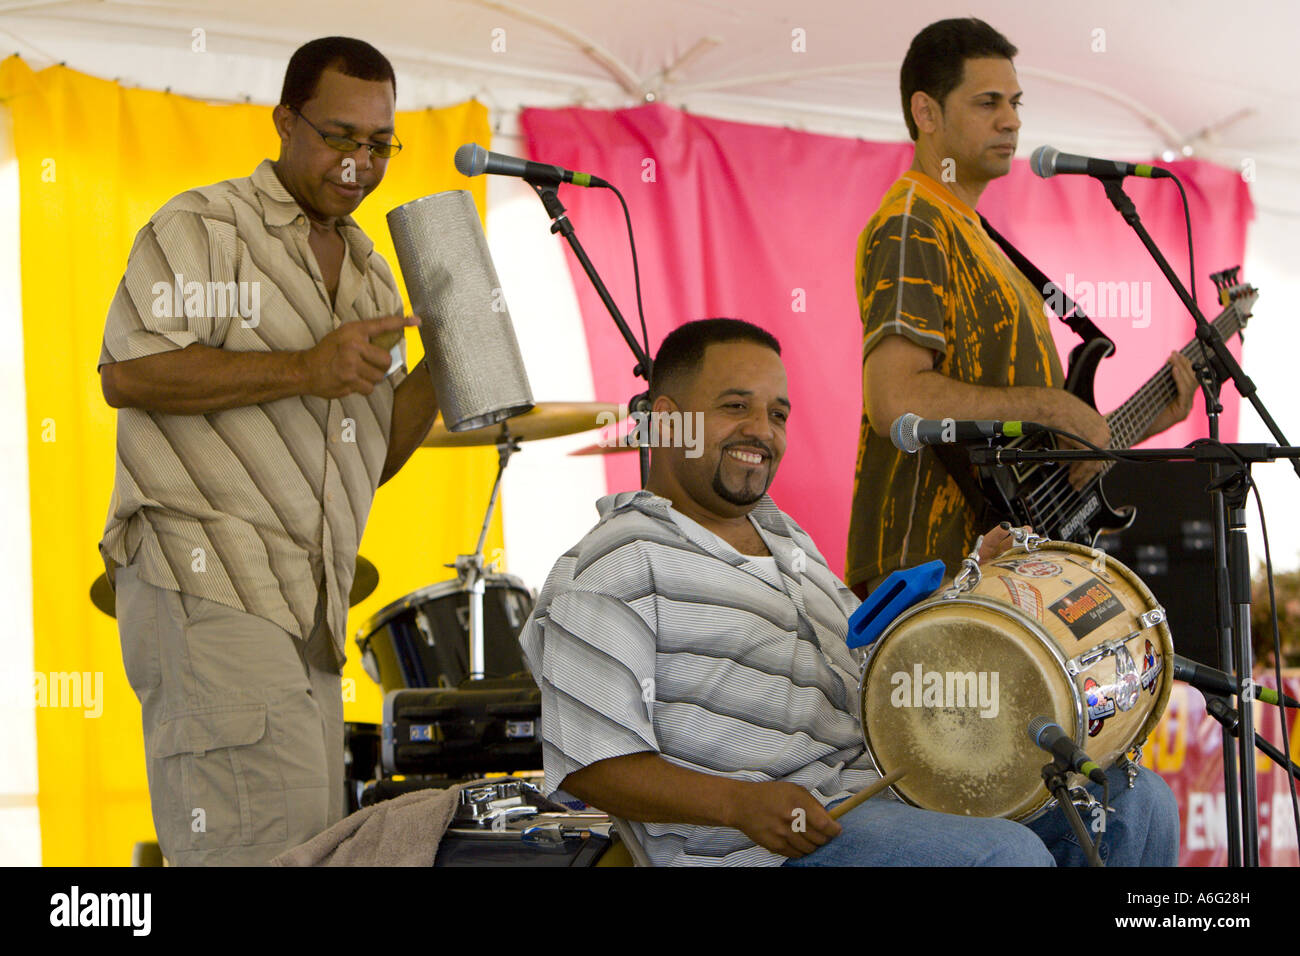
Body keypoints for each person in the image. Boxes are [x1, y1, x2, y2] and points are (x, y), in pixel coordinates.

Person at [518, 318, 1179, 866]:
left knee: (1135, 802)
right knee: (1003, 859)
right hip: (762, 847)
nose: (762, 430)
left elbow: (867, 663)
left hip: (882, 800)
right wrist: (738, 803)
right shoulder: (611, 564)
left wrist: (968, 593)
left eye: (777, 413)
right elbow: (590, 764)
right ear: (666, 422)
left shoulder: (784, 539)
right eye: (734, 406)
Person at [98, 37, 439, 865]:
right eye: (338, 135)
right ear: (284, 121)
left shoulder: (370, 275)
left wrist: (454, 357)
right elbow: (128, 373)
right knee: (254, 850)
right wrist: (306, 366)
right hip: (210, 576)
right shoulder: (205, 227)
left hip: (310, 607)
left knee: (301, 850)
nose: (360, 160)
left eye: (380, 143)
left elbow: (373, 453)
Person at [844, 17, 1197, 599]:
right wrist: (1054, 409)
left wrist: (1110, 431)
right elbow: (896, 401)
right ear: (927, 113)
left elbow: (1029, 461)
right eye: (988, 102)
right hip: (930, 573)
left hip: (1000, 575)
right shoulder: (915, 222)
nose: (1011, 120)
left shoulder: (982, 239)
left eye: (1014, 102)